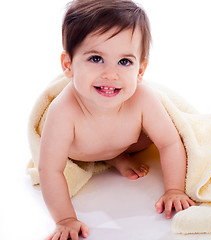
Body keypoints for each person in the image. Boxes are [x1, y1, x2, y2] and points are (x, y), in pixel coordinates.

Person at [38, 0, 196, 239]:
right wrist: (65, 219)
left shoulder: (142, 99)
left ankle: (118, 156)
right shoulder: (63, 111)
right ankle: (114, 158)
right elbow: (50, 169)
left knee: (152, 136)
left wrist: (174, 189)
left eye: (124, 62)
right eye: (96, 58)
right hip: (82, 152)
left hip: (125, 142)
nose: (111, 74)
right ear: (68, 65)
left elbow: (170, 142)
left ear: (140, 71)